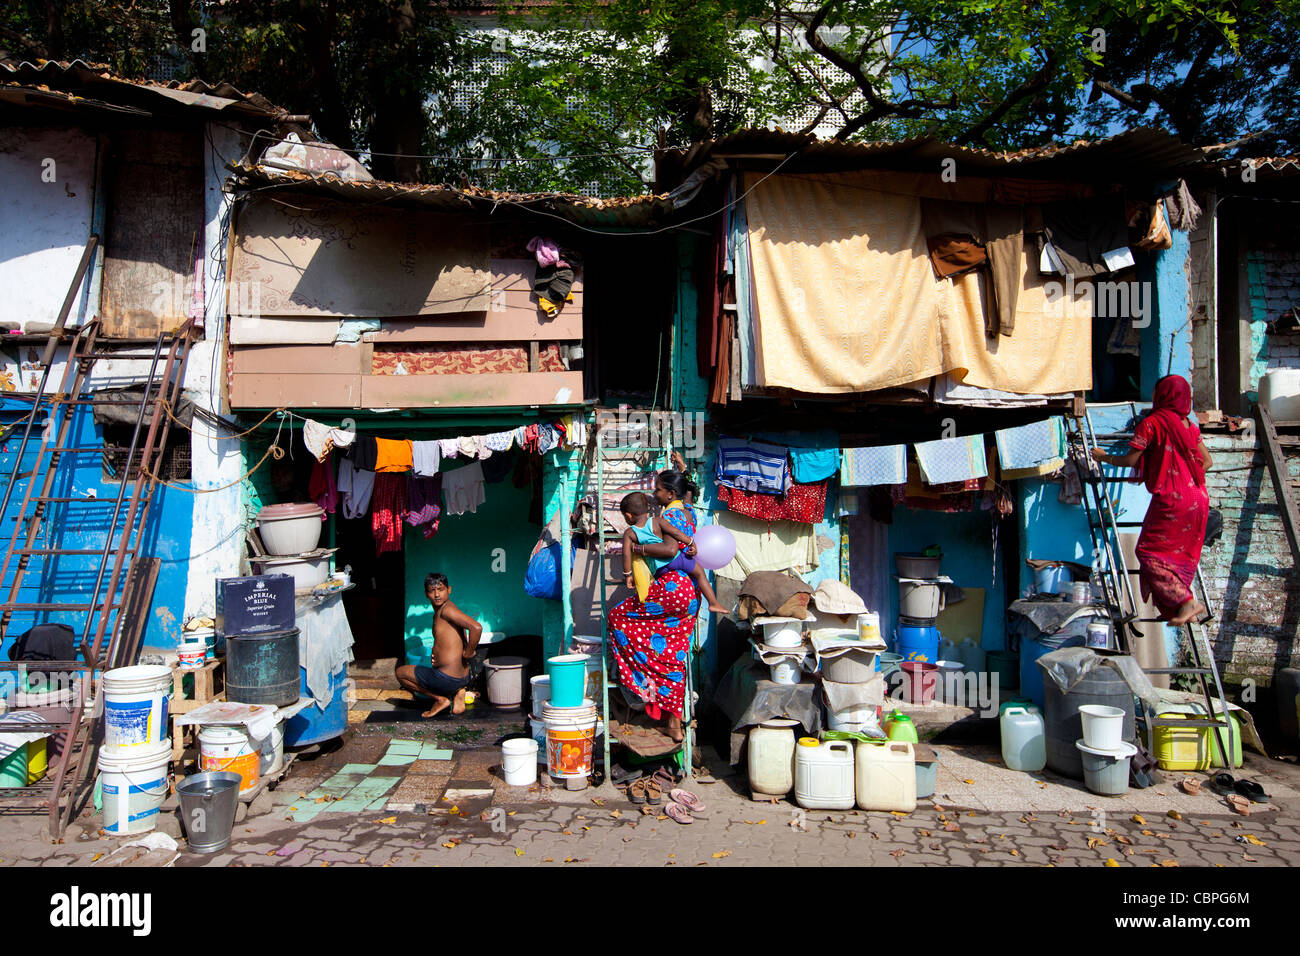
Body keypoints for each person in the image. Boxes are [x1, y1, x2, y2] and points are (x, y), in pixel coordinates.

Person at [1091, 374, 1212, 626]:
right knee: (1177, 555)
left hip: (1173, 500)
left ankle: (1186, 601)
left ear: (1161, 396)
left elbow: (1129, 461)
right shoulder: (1189, 425)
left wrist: (1103, 456)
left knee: (1148, 552)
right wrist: (1184, 473)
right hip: (1198, 498)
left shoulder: (1152, 423)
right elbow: (1207, 461)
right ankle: (1174, 608)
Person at [620, 492, 727, 613]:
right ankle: (713, 603)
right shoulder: (657, 521)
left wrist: (628, 575)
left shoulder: (630, 533)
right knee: (700, 573)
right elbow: (675, 532)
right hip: (676, 559)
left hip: (659, 568)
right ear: (648, 508)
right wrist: (690, 542)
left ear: (628, 516)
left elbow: (626, 555)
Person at [394, 573, 482, 717]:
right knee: (430, 671)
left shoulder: (447, 610)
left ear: (449, 590)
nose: (436, 594)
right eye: (432, 591)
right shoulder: (448, 609)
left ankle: (440, 699)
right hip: (463, 677)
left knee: (400, 673)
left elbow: (476, 628)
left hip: (447, 679)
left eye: (440, 589)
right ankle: (459, 690)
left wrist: (468, 652)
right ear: (426, 594)